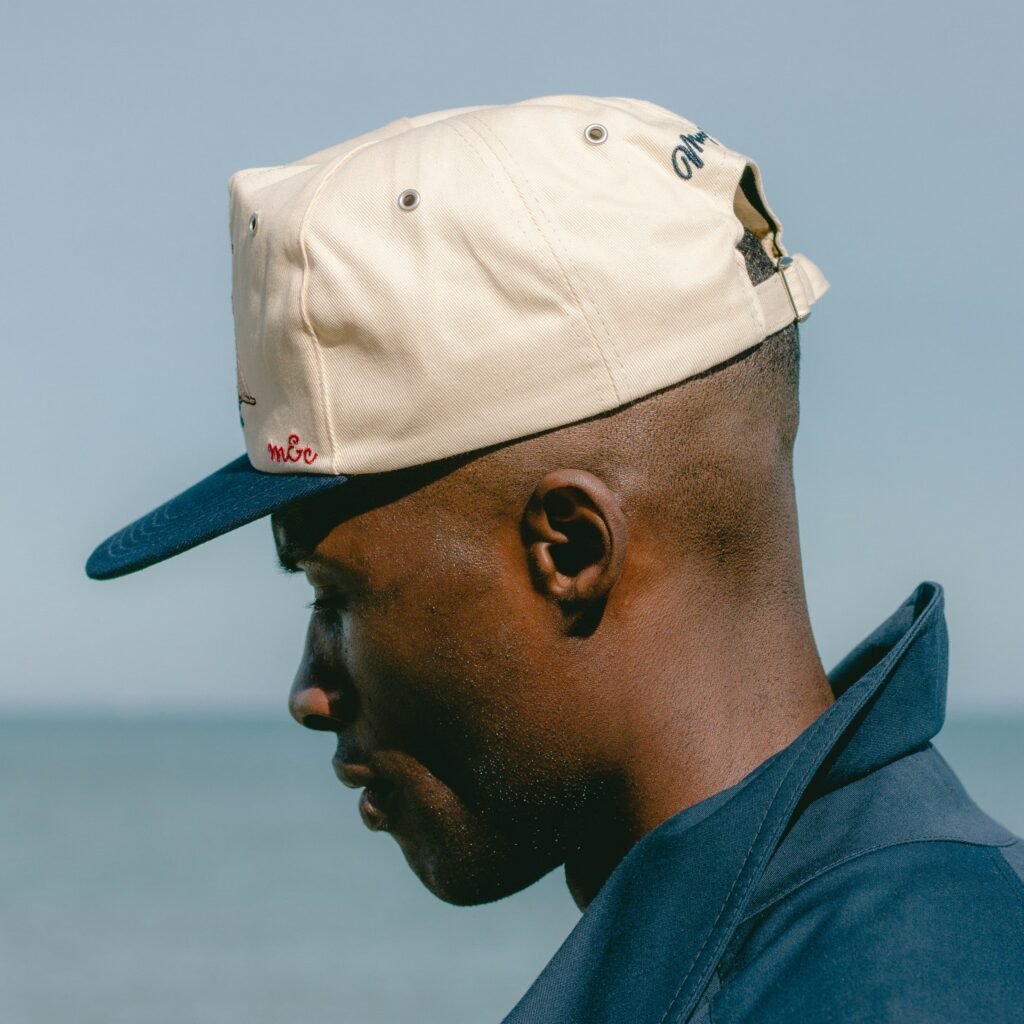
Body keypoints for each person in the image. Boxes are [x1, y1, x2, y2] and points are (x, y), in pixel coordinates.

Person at [86, 94, 1024, 1022]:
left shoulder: (897, 992)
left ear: (568, 549)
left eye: (335, 598)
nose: (309, 694)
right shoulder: (826, 945)